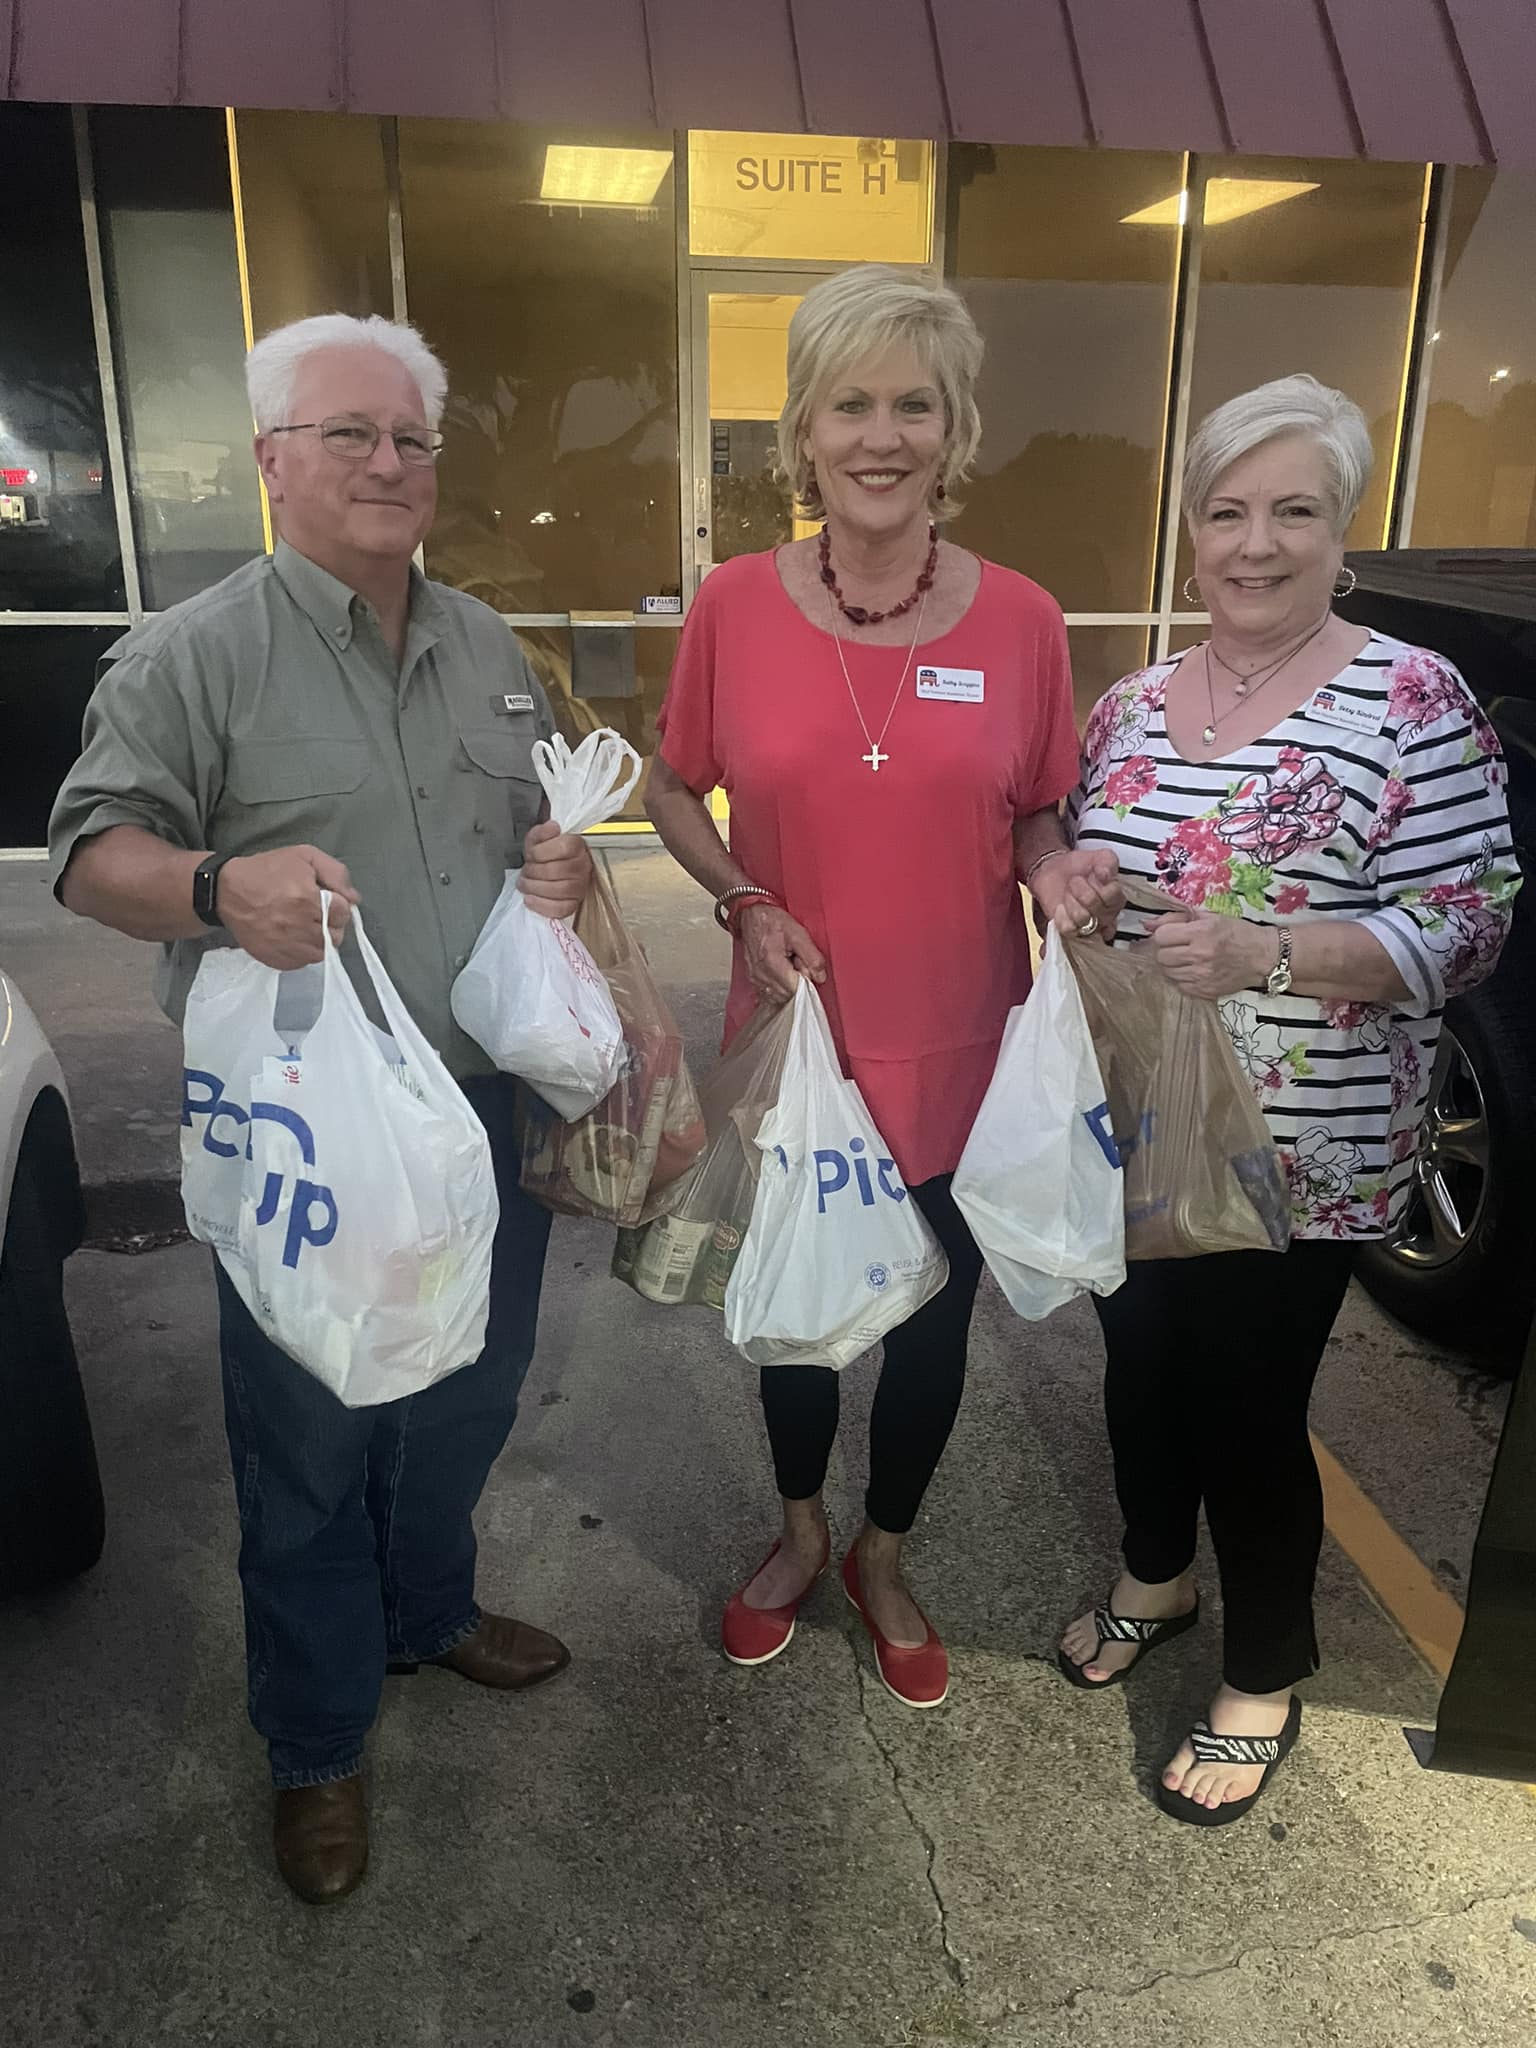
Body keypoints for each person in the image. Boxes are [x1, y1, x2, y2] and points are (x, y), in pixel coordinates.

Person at [48, 314, 592, 1903]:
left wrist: (554, 871)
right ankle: (314, 1739)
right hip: (307, 1135)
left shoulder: (489, 649)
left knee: (465, 1396)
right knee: (304, 1441)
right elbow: (89, 855)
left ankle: (428, 1611)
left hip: (474, 1113)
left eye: (412, 437)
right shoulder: (196, 652)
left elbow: (532, 830)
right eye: (349, 433)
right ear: (273, 460)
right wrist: (219, 886)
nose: (388, 462)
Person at [647, 265, 1122, 1709]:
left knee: (929, 1322)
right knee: (799, 1307)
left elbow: (1036, 809)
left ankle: (884, 1551)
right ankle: (799, 1534)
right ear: (803, 429)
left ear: (953, 429)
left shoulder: (1024, 620)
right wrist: (742, 899)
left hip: (963, 1041)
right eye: (849, 404)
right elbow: (672, 786)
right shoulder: (735, 605)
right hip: (799, 1037)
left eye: (914, 405)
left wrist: (1053, 870)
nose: (881, 435)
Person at [1060, 374, 1519, 1823]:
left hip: (1303, 1144)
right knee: (1138, 1367)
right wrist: (1075, 879)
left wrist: (1276, 950)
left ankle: (1264, 1668)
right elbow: (1088, 854)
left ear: (1343, 531)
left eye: (1294, 512)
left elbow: (1471, 921)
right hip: (1135, 1121)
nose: (1255, 543)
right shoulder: (1131, 703)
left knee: (1247, 1402)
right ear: (1191, 531)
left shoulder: (1413, 698)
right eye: (1227, 511)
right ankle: (1156, 1575)